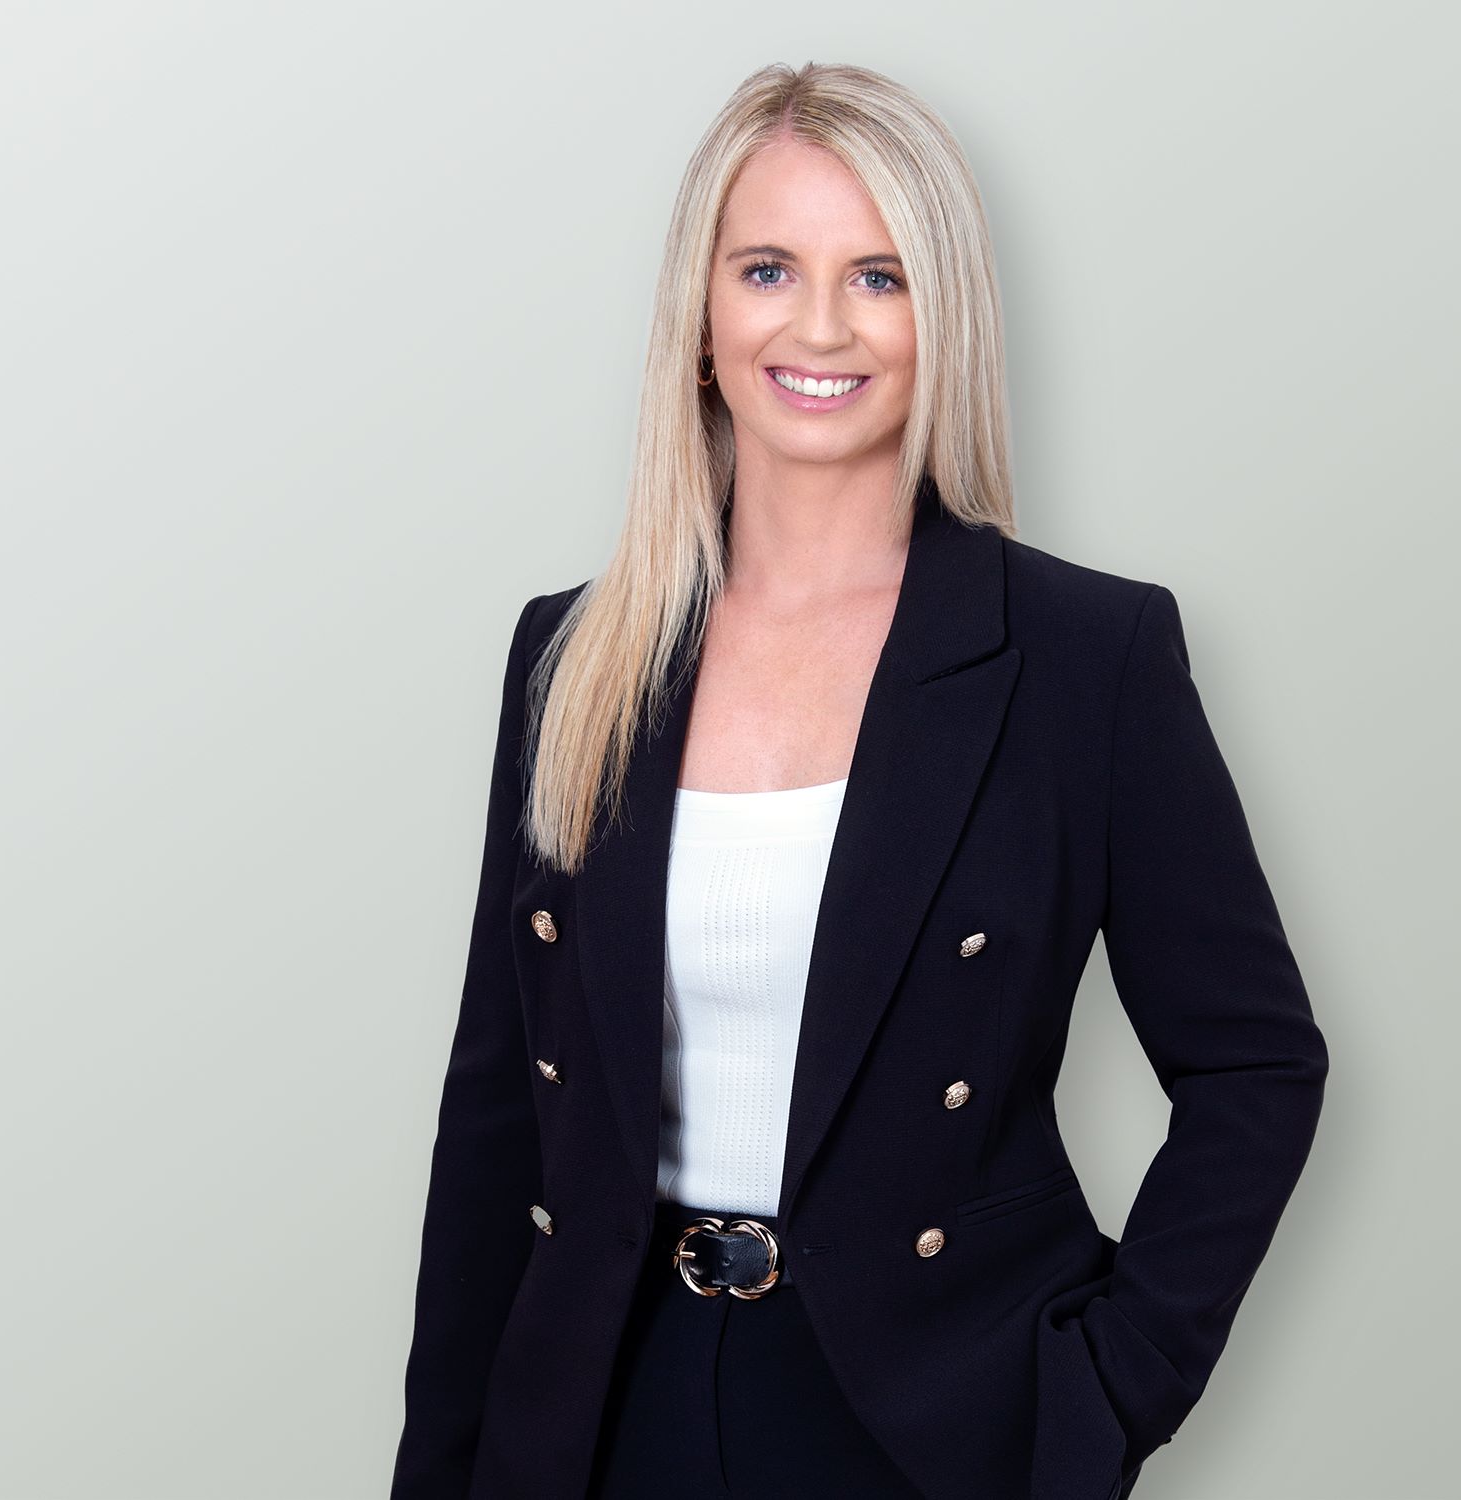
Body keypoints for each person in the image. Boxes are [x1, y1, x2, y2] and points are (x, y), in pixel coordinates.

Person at [389, 60, 1329, 1500]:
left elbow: (1255, 1064)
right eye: (768, 268)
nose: (819, 326)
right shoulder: (573, 654)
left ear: (941, 312)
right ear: (700, 312)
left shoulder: (1084, 657)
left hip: (933, 1422)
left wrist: (1100, 1395)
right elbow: (497, 1113)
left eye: (878, 276)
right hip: (595, 1409)